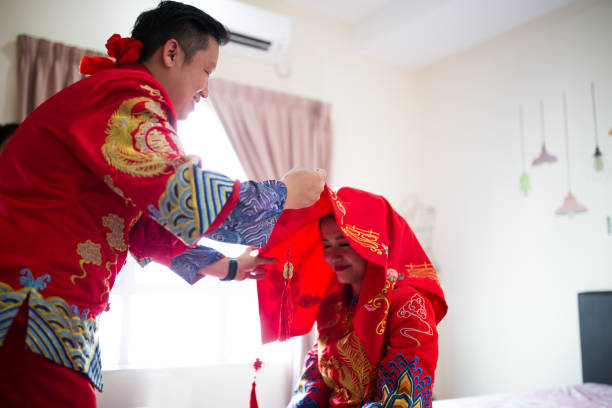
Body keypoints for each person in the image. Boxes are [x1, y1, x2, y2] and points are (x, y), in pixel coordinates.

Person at [0, 1, 326, 406]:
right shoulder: (125, 98)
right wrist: (283, 193)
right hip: (30, 304)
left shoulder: (113, 102)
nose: (207, 89)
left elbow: (142, 228)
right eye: (206, 71)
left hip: (39, 307)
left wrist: (228, 267)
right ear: (171, 53)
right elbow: (184, 195)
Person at [256, 187, 447, 408]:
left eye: (344, 243)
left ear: (374, 245)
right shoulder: (333, 304)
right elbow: (315, 380)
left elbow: (401, 398)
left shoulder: (409, 305)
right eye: (326, 245)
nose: (332, 255)